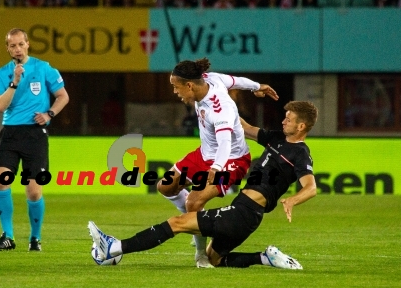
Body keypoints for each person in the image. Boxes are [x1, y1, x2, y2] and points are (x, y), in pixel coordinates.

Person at [88, 101, 318, 269]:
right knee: (213, 259)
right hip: (247, 215)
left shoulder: (300, 153)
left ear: (301, 126)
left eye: (289, 119)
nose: (283, 120)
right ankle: (264, 258)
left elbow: (311, 187)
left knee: (177, 222)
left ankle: (114, 248)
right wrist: (220, 100)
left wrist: (292, 200)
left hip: (242, 213)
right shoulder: (277, 138)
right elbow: (244, 127)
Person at [158, 58, 278, 268]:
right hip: (204, 154)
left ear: (189, 85)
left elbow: (224, 144)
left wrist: (215, 168)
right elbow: (235, 80)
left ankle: (200, 255)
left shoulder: (219, 108)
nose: (175, 92)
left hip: (231, 159)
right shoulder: (210, 79)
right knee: (165, 186)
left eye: (176, 87)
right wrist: (258, 87)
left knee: (194, 202)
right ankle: (192, 220)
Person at [0, 28, 69, 252]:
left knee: (34, 191)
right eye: (12, 45)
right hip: (10, 133)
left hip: (35, 134)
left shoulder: (43, 68)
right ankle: (8, 236)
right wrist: (14, 81)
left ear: (28, 45)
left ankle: (35, 238)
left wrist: (49, 114)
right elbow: (0, 106)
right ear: (7, 48)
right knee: (1, 180)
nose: (17, 49)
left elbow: (63, 96)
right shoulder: (2, 73)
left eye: (20, 44)